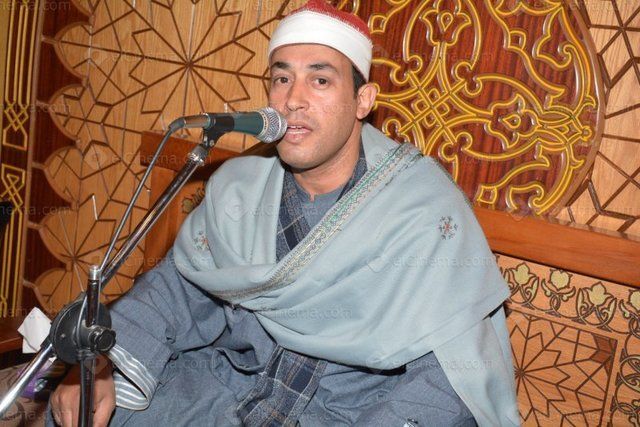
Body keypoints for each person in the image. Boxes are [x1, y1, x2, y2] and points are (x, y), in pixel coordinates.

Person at [48, 1, 518, 425]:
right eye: (281, 78)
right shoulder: (240, 186)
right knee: (84, 410)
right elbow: (174, 292)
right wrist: (100, 364)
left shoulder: (422, 209)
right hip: (227, 390)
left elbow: (448, 374)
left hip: (341, 413)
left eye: (320, 79)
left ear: (363, 100)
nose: (293, 99)